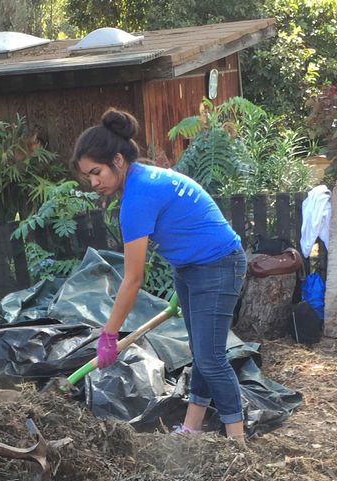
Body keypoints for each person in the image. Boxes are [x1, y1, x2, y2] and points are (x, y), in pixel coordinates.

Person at [72, 108, 248, 443]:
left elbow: (133, 278)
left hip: (218, 265)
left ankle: (237, 444)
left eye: (96, 172)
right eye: (88, 176)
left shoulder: (137, 198)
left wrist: (109, 335)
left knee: (211, 359)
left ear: (118, 160)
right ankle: (191, 428)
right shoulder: (143, 180)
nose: (94, 183)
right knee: (201, 354)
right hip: (190, 268)